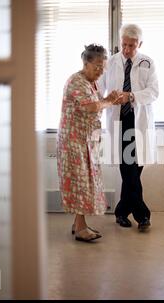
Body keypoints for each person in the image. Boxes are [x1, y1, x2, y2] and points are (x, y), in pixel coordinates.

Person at [57, 44, 123, 242]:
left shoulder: (90, 82)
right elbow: (91, 107)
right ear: (85, 63)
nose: (100, 72)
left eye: (103, 68)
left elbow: (96, 103)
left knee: (85, 182)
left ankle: (79, 223)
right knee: (80, 183)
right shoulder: (76, 82)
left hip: (85, 140)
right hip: (74, 141)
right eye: (97, 67)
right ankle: (80, 229)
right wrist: (109, 102)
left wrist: (108, 98)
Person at [99, 24, 159, 231]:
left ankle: (122, 212)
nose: (126, 49)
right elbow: (98, 90)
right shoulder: (111, 63)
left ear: (139, 44)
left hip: (138, 121)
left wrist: (131, 96)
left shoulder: (147, 62)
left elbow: (154, 92)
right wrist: (109, 99)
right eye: (123, 44)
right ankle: (143, 215)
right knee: (128, 169)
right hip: (119, 122)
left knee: (134, 170)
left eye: (131, 46)